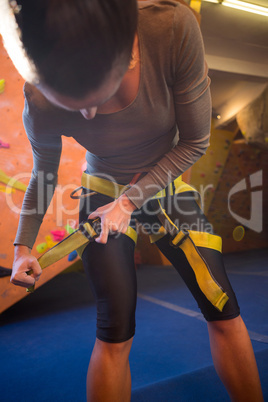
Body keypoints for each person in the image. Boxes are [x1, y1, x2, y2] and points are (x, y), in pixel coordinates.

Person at [1, 0, 263, 400]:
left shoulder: (170, 28)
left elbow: (195, 142)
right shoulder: (37, 100)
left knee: (224, 312)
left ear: (130, 54)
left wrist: (128, 203)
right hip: (101, 187)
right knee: (114, 333)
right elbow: (44, 174)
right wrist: (22, 248)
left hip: (167, 183)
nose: (87, 117)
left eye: (94, 95)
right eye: (70, 102)